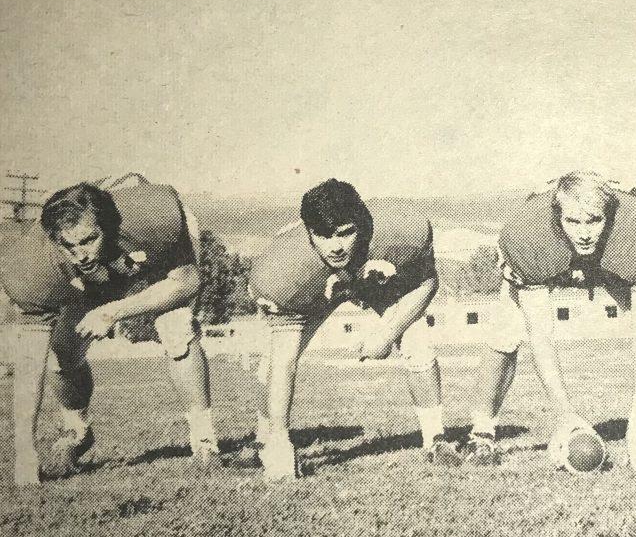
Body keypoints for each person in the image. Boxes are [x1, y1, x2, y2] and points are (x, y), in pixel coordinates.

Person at [0, 174, 216, 485]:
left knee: (177, 329)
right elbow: (30, 362)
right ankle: (76, 431)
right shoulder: (33, 267)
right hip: (90, 284)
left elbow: (187, 281)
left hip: (149, 257)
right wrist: (24, 451)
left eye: (89, 239)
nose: (81, 254)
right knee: (63, 354)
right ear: (52, 238)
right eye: (69, 245)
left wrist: (114, 311)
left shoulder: (153, 217)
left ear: (109, 227)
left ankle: (204, 441)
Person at [466, 172, 636, 472]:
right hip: (550, 255)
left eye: (594, 220)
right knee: (505, 329)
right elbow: (540, 336)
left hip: (615, 256)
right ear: (557, 214)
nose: (583, 233)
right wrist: (564, 413)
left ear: (609, 215)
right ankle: (481, 433)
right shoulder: (528, 235)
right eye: (573, 221)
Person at [248, 179, 445, 480]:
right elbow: (285, 362)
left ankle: (436, 440)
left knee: (417, 338)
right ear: (308, 233)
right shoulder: (284, 274)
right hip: (310, 289)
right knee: (273, 362)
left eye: (345, 233)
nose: (336, 246)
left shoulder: (399, 231)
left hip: (366, 276)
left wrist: (387, 332)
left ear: (361, 224)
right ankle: (268, 440)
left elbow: (427, 283)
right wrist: (279, 437)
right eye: (323, 236)